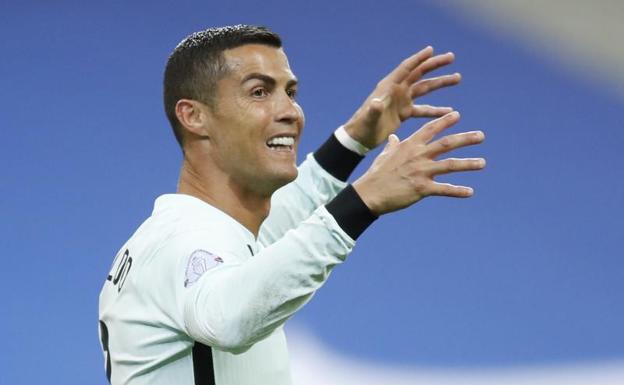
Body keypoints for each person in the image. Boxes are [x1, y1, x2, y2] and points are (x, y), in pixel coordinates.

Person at [98, 24, 485, 385]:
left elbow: (279, 227)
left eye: (291, 92)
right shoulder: (183, 242)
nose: (290, 111)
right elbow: (229, 317)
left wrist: (354, 141)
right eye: (259, 92)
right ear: (194, 116)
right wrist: (363, 200)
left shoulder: (214, 227)